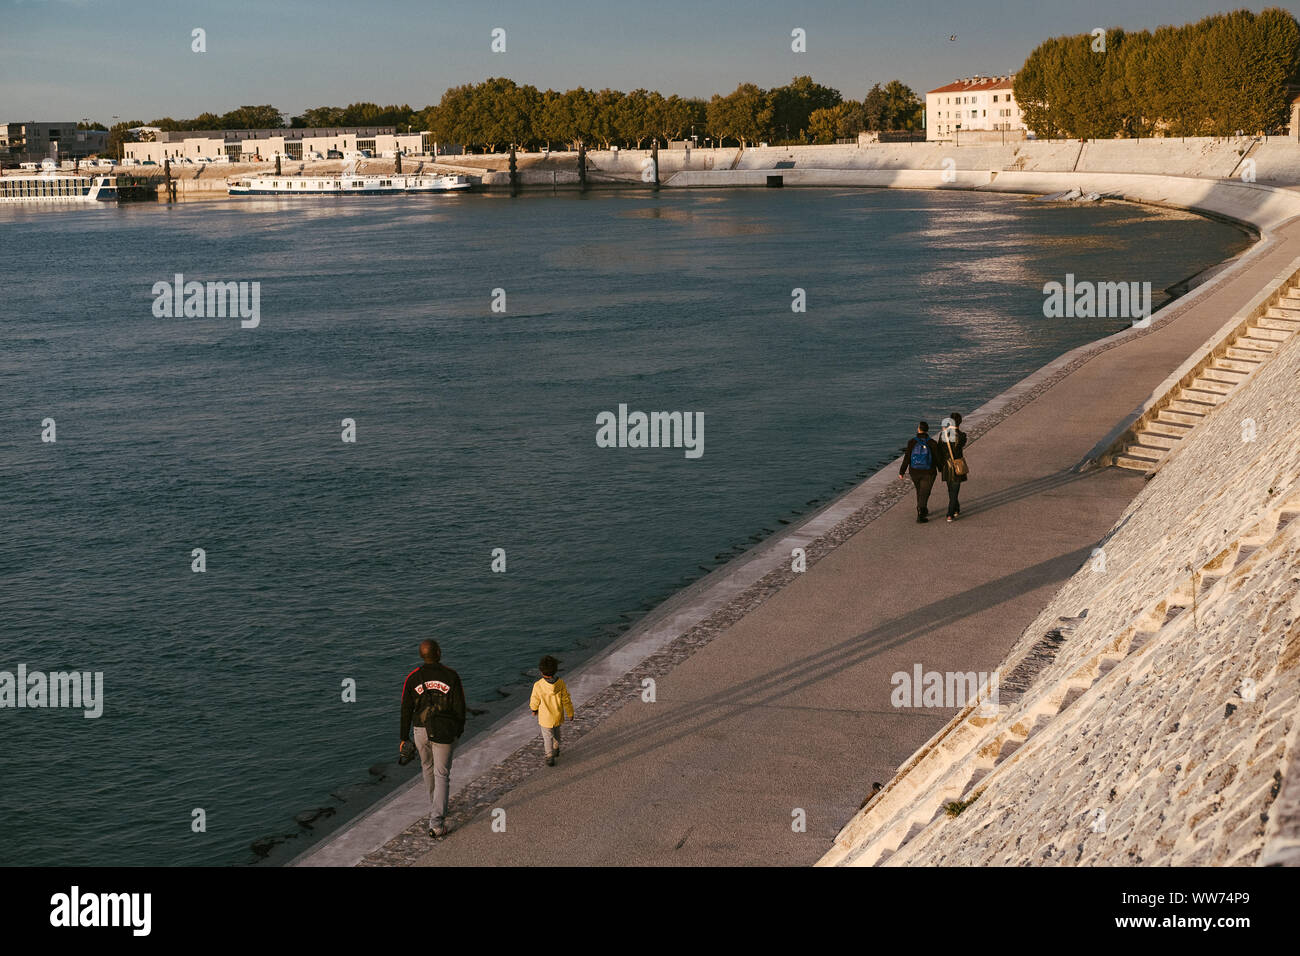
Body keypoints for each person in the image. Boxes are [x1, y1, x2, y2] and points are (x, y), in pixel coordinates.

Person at [399, 639, 466, 838]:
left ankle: (436, 805)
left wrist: (403, 737)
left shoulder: (412, 677)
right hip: (444, 731)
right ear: (438, 652)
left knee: (427, 769)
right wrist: (458, 731)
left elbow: (405, 709)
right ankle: (437, 823)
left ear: (422, 655)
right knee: (442, 774)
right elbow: (460, 708)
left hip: (420, 731)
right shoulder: (451, 676)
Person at [530, 655, 574, 767]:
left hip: (545, 718)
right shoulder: (561, 683)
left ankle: (549, 756)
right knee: (557, 732)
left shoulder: (538, 685)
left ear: (541, 671)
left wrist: (534, 709)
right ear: (555, 670)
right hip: (558, 715)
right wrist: (570, 712)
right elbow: (566, 699)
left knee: (547, 737)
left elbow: (535, 699)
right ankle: (556, 747)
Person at [898, 421, 941, 523]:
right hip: (929, 472)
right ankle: (920, 514)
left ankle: (923, 509)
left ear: (919, 429)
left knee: (919, 490)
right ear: (927, 430)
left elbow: (907, 458)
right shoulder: (932, 443)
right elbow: (938, 458)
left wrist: (902, 471)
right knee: (925, 492)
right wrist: (941, 469)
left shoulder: (912, 442)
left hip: (914, 471)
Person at [935, 413, 969, 522]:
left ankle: (954, 510)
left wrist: (939, 466)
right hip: (957, 465)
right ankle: (951, 512)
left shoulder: (942, 435)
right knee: (954, 490)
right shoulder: (962, 436)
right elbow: (961, 444)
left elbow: (939, 451)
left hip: (946, 466)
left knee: (951, 490)